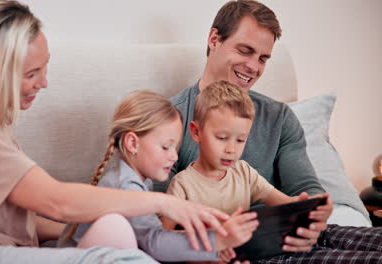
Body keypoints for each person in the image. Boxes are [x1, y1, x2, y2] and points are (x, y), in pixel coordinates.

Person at [0, 1, 232, 263]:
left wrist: (85, 222)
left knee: (111, 233)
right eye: (32, 73)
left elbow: (27, 219)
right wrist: (163, 204)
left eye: (45, 68)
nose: (44, 82)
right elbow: (56, 201)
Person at [153, 0, 382, 258]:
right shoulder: (169, 121)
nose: (253, 67)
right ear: (214, 39)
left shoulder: (280, 117)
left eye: (263, 58)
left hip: (297, 234)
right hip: (251, 252)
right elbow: (158, 225)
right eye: (245, 50)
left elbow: (306, 190)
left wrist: (315, 217)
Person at [161, 80, 373, 262]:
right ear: (196, 132)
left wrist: (313, 207)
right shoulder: (182, 186)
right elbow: (164, 239)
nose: (231, 149)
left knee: (358, 238)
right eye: (222, 138)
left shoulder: (243, 172)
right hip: (248, 258)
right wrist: (213, 245)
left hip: (267, 246)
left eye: (240, 140)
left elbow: (285, 204)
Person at [58, 90, 258, 263]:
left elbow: (149, 238)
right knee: (115, 227)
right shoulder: (125, 184)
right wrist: (217, 240)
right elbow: (154, 243)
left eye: (175, 147)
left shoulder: (138, 178)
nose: (174, 156)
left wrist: (211, 248)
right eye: (165, 147)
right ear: (133, 143)